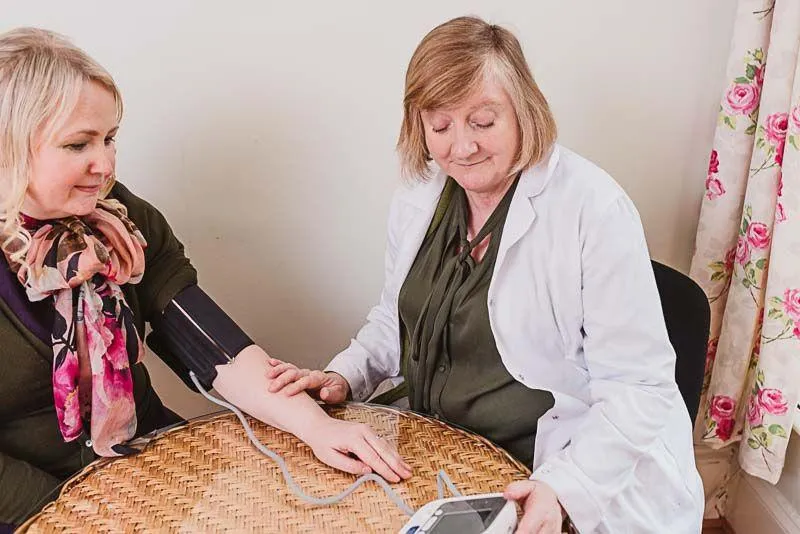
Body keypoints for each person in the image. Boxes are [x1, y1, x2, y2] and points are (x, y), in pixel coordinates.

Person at [267, 16, 704, 533]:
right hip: (441, 449)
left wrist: (565, 487)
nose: (462, 147)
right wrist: (345, 374)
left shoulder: (594, 209)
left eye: (482, 121)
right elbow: (397, 317)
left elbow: (639, 386)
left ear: (524, 110)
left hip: (557, 468)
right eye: (440, 126)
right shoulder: (420, 196)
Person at [0, 27, 411, 527]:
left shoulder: (118, 220)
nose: (104, 165)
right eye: (77, 144)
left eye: (109, 138)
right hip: (33, 506)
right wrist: (74, 514)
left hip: (144, 465)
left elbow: (210, 345)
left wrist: (317, 427)